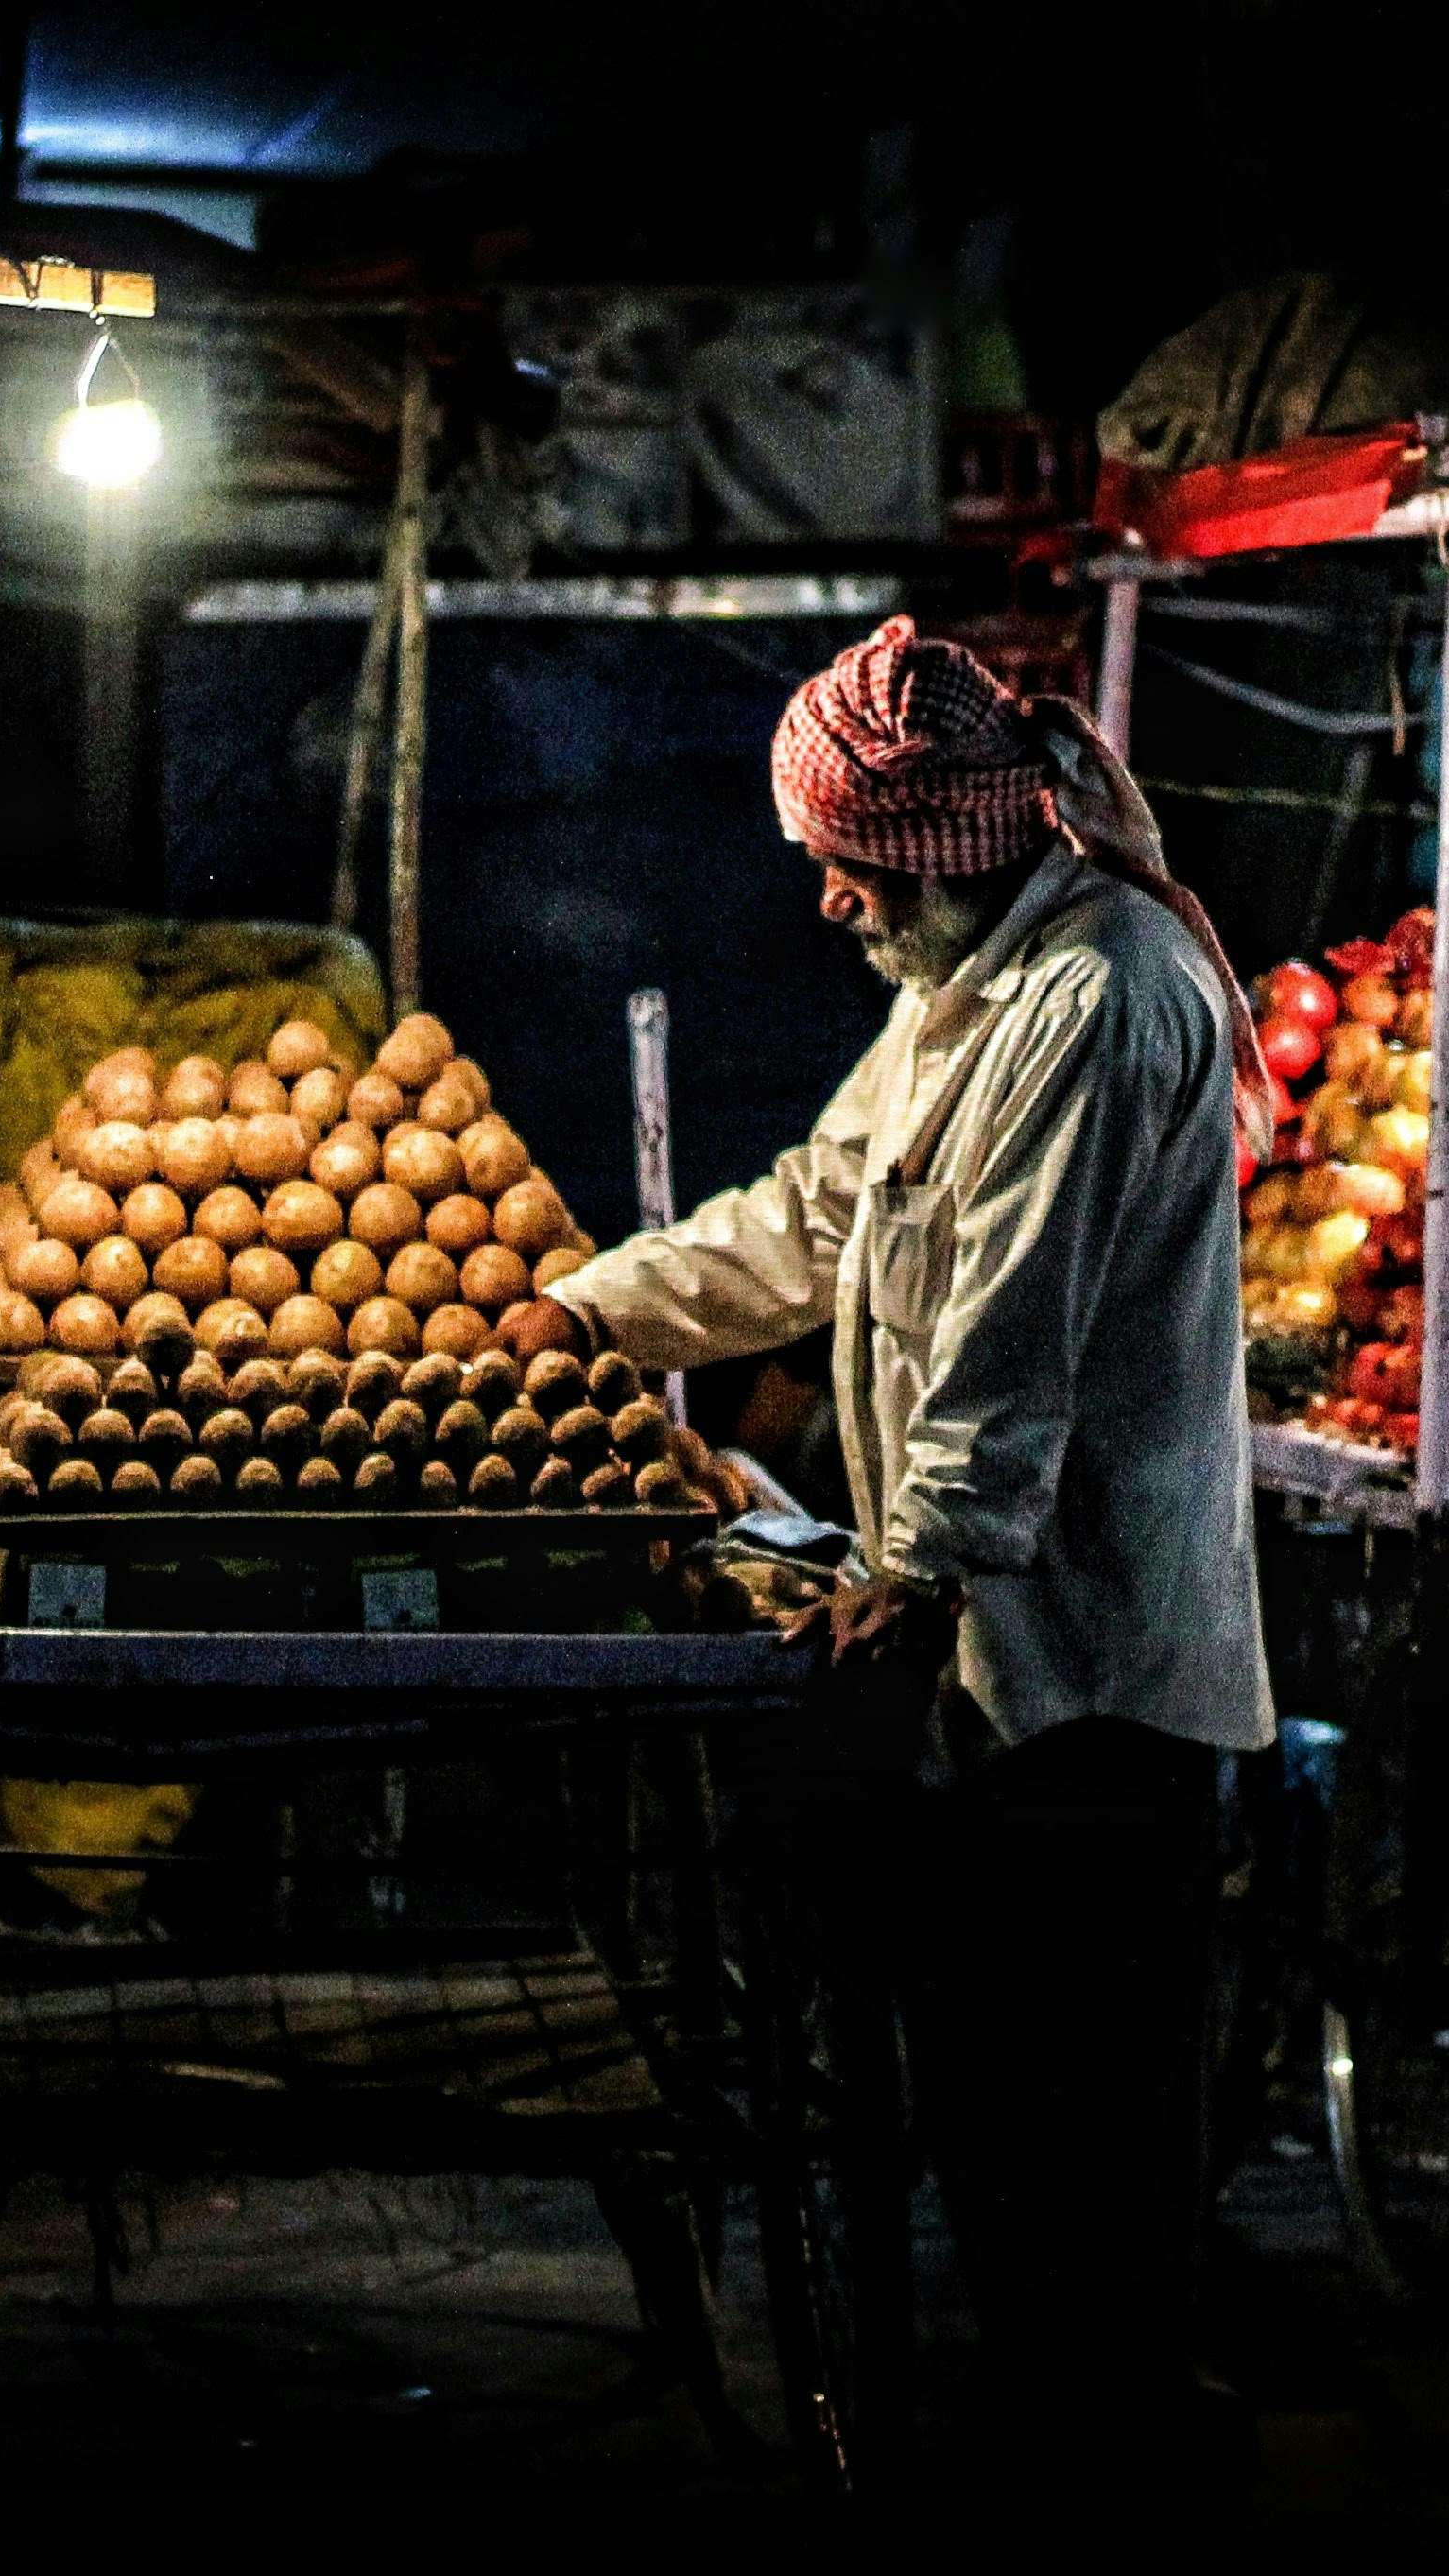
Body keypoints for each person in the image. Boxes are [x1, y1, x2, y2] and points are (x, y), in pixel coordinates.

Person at [503, 615, 1279, 2482]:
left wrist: (910, 1567)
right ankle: (1058, 2420)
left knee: (1081, 2076)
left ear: (942, 847)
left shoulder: (1091, 997)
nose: (829, 900)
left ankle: (1105, 2459)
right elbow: (814, 1215)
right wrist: (583, 1310)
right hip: (998, 1638)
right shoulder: (961, 990)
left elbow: (1004, 1332)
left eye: (850, 861)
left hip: (1085, 1639)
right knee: (1003, 2067)